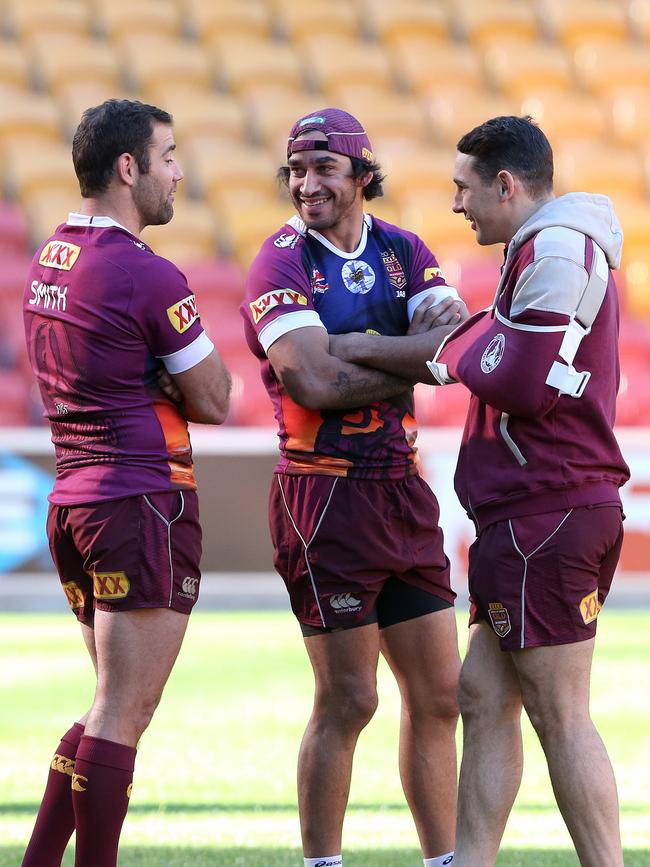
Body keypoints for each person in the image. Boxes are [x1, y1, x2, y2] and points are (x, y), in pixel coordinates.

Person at [330, 115, 630, 867]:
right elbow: (487, 350)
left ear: (506, 184)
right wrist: (471, 339)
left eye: (464, 189)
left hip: (547, 507)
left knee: (560, 712)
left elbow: (517, 377)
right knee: (480, 695)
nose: (457, 205)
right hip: (533, 511)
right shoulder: (542, 245)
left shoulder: (557, 245)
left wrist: (466, 342)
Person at [240, 108, 466, 867]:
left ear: (362, 174)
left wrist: (361, 346)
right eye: (296, 170)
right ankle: (323, 863)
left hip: (401, 488)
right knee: (350, 700)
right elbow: (309, 375)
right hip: (324, 496)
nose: (306, 184)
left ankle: (444, 861)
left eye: (323, 168)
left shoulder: (405, 250)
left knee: (441, 696)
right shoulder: (278, 261)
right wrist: (404, 355)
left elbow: (455, 350)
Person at [21, 98, 231, 867]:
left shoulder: (50, 260)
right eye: (169, 156)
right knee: (122, 710)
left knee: (107, 702)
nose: (179, 173)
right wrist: (167, 387)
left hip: (75, 501)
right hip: (140, 500)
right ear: (128, 168)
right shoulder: (144, 272)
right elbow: (216, 396)